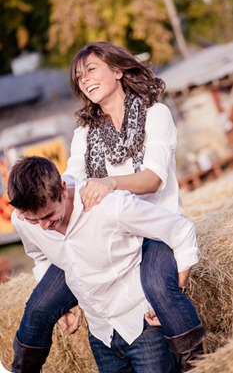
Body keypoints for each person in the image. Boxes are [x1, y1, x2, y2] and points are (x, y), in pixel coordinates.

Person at [11, 42, 206, 373]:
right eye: (78, 76)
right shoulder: (86, 131)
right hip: (107, 234)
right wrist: (45, 189)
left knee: (159, 287)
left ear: (118, 70)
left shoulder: (155, 114)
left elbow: (154, 178)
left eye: (91, 69)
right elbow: (72, 175)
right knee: (40, 308)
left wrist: (110, 183)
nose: (84, 79)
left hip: (153, 230)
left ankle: (199, 365)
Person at [8, 156, 204, 373]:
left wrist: (177, 289)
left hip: (141, 327)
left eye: (50, 217)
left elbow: (181, 230)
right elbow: (41, 256)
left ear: (63, 190)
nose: (43, 227)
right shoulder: (21, 220)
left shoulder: (110, 208)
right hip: (100, 336)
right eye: (33, 220)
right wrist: (59, 309)